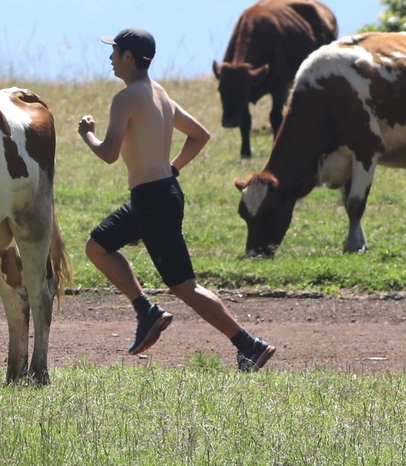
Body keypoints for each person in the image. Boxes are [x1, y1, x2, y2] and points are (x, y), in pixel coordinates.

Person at [78, 27, 276, 372]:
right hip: (157, 195)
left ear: (128, 57)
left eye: (115, 52)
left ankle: (249, 345)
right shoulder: (159, 93)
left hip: (153, 199)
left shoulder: (125, 98)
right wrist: (173, 167)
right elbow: (200, 135)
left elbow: (109, 154)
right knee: (97, 247)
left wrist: (88, 135)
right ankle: (146, 310)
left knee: (186, 287)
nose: (110, 59)